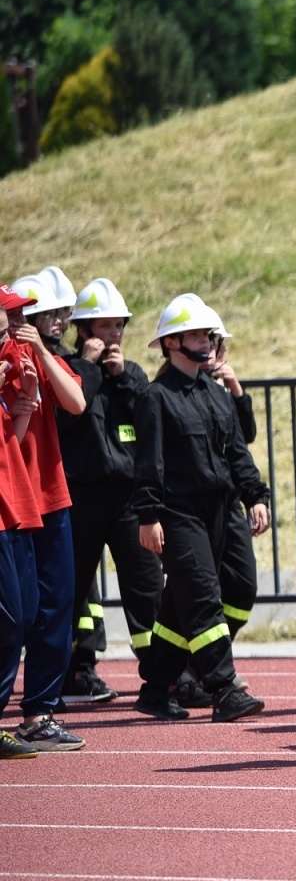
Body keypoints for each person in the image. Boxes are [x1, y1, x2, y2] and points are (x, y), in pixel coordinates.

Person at [131, 294, 270, 723]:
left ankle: (157, 687)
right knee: (202, 597)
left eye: (206, 334)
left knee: (234, 589)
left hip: (223, 507)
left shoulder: (215, 392)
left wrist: (256, 496)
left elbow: (236, 453)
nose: (205, 341)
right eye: (194, 334)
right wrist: (149, 515)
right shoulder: (156, 397)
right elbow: (148, 463)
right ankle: (222, 687)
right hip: (179, 512)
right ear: (171, 344)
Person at [58, 277, 164, 704]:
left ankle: (160, 676)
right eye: (105, 327)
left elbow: (150, 421)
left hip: (126, 499)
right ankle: (73, 673)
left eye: (119, 326)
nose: (114, 335)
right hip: (80, 497)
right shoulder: (68, 370)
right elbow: (66, 419)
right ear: (83, 331)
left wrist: (122, 380)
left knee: (145, 586)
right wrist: (86, 368)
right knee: (73, 589)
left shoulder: (132, 375)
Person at [0, 268, 88, 751]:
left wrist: (42, 354)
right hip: (13, 502)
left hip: (49, 496)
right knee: (19, 612)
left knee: (55, 608)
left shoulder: (40, 354)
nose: (46, 321)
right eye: (26, 313)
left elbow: (76, 402)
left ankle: (39, 712)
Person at [0, 283, 46, 758]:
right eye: (8, 313)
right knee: (9, 617)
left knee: (26, 613)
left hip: (13, 507)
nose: (16, 321)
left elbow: (10, 438)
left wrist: (25, 400)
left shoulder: (12, 360)